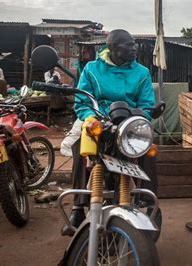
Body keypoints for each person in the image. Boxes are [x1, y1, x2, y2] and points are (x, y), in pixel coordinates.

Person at [62, 29, 156, 235]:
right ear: (113, 47)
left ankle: (149, 204)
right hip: (98, 120)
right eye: (129, 45)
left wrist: (142, 117)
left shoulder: (142, 72)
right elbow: (82, 101)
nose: (134, 48)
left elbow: (148, 104)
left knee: (148, 148)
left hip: (129, 123)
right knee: (80, 146)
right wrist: (92, 118)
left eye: (134, 44)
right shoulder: (92, 69)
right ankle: (78, 207)